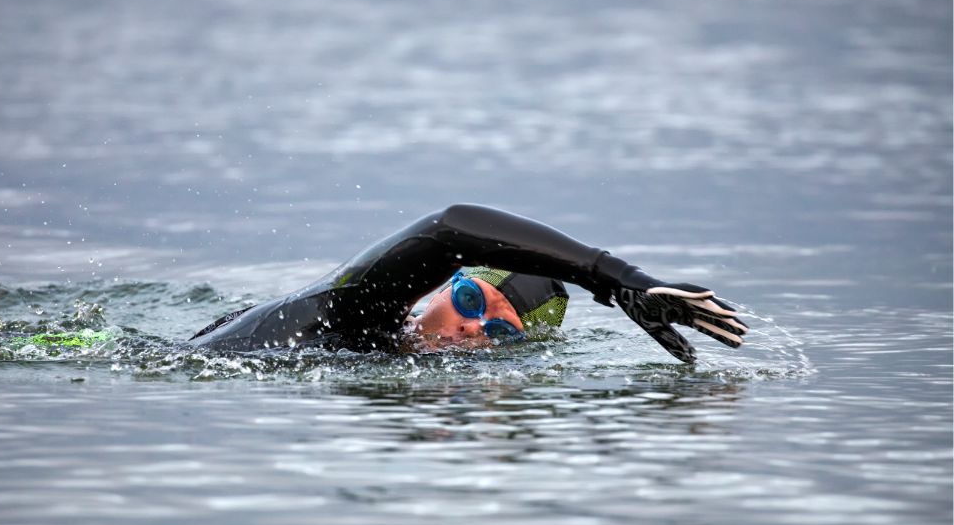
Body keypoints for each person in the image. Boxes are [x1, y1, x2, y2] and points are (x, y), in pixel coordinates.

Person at [189, 204, 747, 363]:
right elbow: (451, 225)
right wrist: (619, 280)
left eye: (500, 333)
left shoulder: (391, 366)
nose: (468, 329)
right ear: (437, 288)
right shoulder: (354, 311)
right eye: (469, 300)